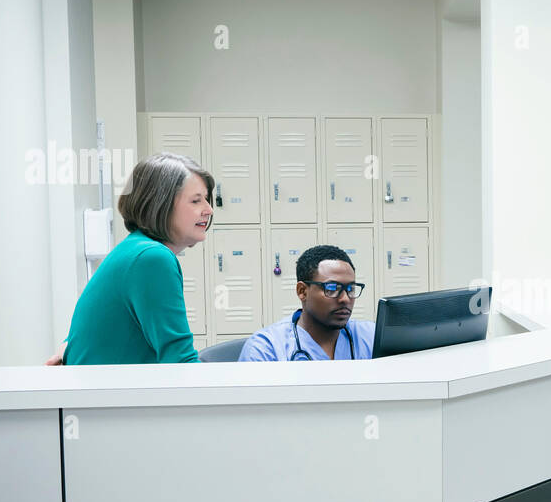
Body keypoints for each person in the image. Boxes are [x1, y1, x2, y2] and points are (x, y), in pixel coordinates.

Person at [60, 153, 213, 364]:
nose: (209, 209)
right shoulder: (151, 259)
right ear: (161, 204)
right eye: (196, 200)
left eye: (206, 199)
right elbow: (179, 363)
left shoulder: (133, 249)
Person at [239, 245, 375, 361]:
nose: (345, 299)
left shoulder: (372, 336)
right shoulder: (266, 349)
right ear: (302, 291)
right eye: (332, 288)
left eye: (350, 289)